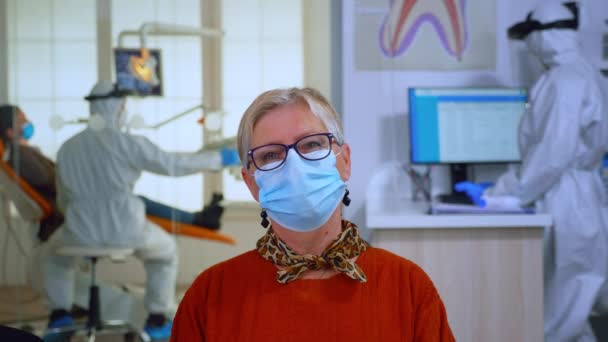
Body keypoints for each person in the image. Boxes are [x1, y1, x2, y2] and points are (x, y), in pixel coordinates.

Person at [170, 87, 455, 341]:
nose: (294, 165)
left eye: (311, 145)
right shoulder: (210, 295)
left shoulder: (407, 287)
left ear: (344, 161)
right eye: (271, 155)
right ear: (251, 183)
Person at [456, 2, 608, 341]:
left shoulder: (564, 81)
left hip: (567, 198)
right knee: (573, 307)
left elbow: (554, 155)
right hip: (583, 195)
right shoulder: (587, 73)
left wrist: (501, 193)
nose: (529, 47)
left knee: (561, 310)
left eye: (531, 37)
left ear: (546, 35)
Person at [44, 80, 240, 340]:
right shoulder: (128, 143)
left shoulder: (68, 148)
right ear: (116, 107)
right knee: (165, 253)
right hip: (127, 229)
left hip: (79, 231)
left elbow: (63, 199)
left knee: (54, 257)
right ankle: (157, 320)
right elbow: (172, 165)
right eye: (123, 106)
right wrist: (220, 158)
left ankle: (60, 319)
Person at [0, 105, 226, 242]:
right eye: (22, 120)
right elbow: (53, 182)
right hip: (73, 214)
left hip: (78, 210)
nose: (28, 123)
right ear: (11, 131)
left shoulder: (30, 152)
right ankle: (198, 219)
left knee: (135, 201)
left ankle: (198, 218)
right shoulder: (21, 156)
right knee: (135, 205)